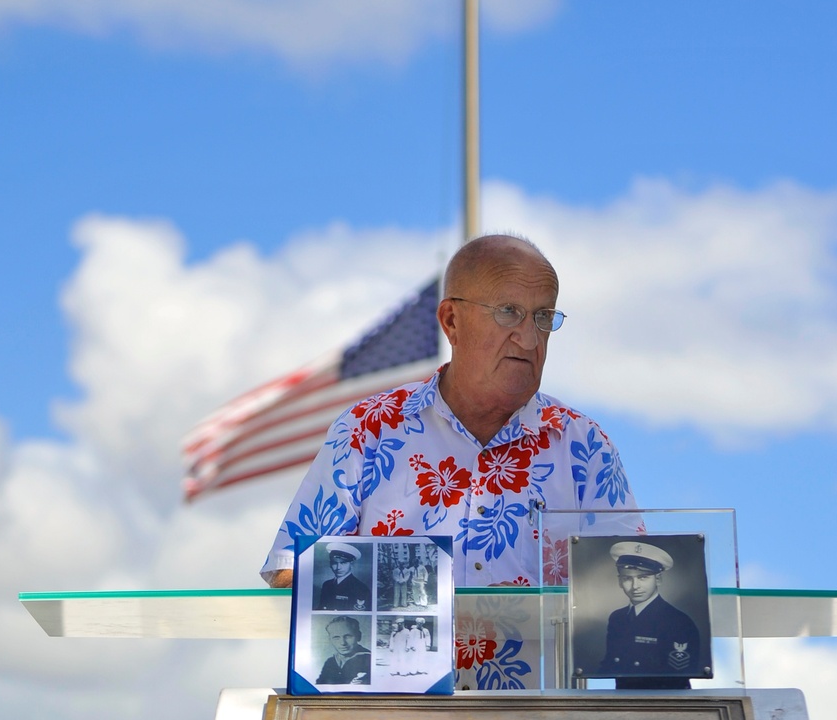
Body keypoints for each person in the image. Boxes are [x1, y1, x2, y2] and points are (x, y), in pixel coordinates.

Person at [261, 234, 638, 589]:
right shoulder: (368, 430)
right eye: (509, 312)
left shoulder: (585, 447)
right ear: (451, 321)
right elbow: (290, 571)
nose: (529, 338)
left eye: (543, 317)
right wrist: (417, 601)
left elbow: (633, 582)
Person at [597, 541, 701, 689]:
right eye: (627, 578)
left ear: (658, 579)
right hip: (623, 701)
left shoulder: (678, 621)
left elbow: (677, 675)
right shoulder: (617, 618)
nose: (635, 586)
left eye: (643, 577)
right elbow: (610, 664)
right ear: (620, 581)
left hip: (665, 703)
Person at [316, 617, 372, 685]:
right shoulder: (330, 662)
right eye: (336, 637)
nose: (342, 643)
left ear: (359, 636)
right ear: (330, 639)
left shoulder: (370, 660)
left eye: (348, 636)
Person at [316, 545, 371, 611]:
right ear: (330, 564)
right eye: (335, 563)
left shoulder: (361, 588)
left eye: (343, 563)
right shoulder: (326, 584)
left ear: (351, 564)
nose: (338, 567)